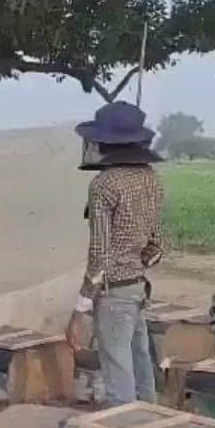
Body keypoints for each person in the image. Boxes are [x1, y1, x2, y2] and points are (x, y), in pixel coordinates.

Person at [67, 101, 165, 408]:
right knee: (140, 364)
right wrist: (135, 264)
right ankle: (152, 422)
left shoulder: (104, 184)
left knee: (118, 377)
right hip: (137, 287)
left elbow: (99, 253)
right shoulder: (150, 178)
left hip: (114, 293)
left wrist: (80, 308)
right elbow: (156, 246)